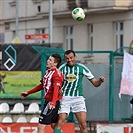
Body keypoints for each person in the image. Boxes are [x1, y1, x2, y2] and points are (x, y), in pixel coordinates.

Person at [53, 50, 105, 133]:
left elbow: (95, 83)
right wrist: (59, 89)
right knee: (59, 122)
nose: (69, 60)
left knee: (83, 124)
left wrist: (100, 81)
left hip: (78, 98)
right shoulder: (62, 68)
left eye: (71, 58)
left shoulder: (82, 68)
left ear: (75, 57)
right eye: (67, 58)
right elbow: (56, 83)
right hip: (65, 98)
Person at [20, 53, 64, 133]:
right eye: (48, 59)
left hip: (51, 103)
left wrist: (53, 103)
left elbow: (56, 89)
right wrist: (28, 92)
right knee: (54, 126)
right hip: (50, 102)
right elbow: (42, 85)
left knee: (40, 127)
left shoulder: (56, 74)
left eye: (50, 60)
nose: (47, 61)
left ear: (55, 63)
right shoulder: (48, 72)